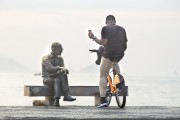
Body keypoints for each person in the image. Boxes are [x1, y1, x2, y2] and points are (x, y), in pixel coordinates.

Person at [88, 15, 128, 108]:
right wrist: (119, 52)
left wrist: (93, 37)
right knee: (115, 63)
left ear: (106, 22)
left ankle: (103, 100)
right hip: (120, 54)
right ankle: (118, 82)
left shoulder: (105, 29)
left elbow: (103, 42)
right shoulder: (122, 29)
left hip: (108, 55)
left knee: (102, 76)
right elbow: (125, 45)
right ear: (115, 21)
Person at [42, 42, 76, 107]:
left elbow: (62, 68)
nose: (61, 50)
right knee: (57, 80)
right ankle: (56, 100)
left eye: (61, 49)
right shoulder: (45, 58)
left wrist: (64, 71)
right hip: (47, 78)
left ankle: (66, 95)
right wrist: (59, 68)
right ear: (53, 49)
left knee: (63, 75)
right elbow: (50, 69)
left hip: (56, 77)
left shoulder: (60, 58)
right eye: (59, 49)